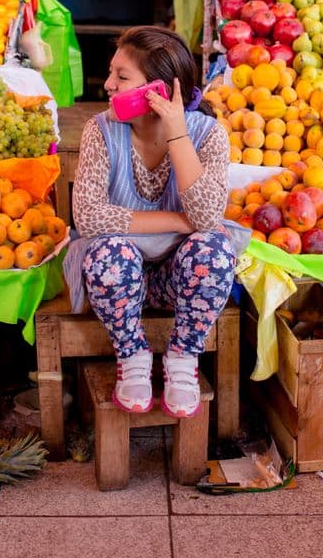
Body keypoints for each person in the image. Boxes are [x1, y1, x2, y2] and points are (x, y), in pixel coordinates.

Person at [65, 26, 249, 420]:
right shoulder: (100, 129)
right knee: (109, 254)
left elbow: (207, 217)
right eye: (111, 72)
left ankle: (183, 357)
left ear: (160, 91)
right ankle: (131, 354)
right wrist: (179, 221)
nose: (109, 85)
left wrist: (177, 132)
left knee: (214, 253)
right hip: (117, 282)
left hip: (176, 282)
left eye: (122, 76)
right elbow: (89, 216)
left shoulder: (208, 135)